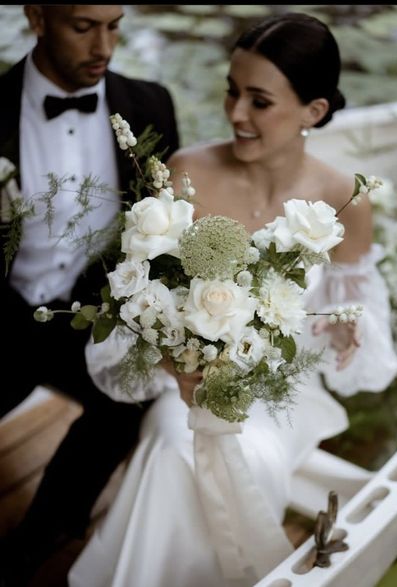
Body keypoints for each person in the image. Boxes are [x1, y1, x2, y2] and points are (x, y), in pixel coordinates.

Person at [68, 12, 397, 587]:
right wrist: (171, 361)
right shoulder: (186, 172)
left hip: (280, 392)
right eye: (231, 91)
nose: (236, 113)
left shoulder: (344, 199)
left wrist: (349, 332)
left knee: (248, 456)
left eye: (259, 100)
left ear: (313, 111)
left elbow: (358, 313)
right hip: (187, 386)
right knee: (178, 444)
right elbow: (137, 301)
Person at [0, 5, 179, 585]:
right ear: (37, 18)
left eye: (115, 24)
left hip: (92, 315)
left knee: (130, 396)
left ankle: (40, 537)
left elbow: (163, 224)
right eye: (84, 26)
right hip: (2, 320)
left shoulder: (151, 105)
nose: (105, 45)